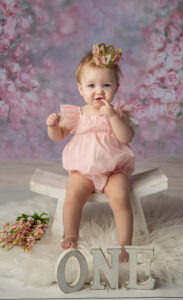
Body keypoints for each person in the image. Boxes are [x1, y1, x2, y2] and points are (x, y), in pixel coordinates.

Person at [46, 43, 136, 262]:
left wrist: (113, 117)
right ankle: (71, 235)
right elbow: (59, 136)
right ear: (80, 89)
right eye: (91, 85)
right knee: (73, 196)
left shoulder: (119, 112)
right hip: (83, 173)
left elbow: (126, 137)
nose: (99, 91)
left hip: (114, 171)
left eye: (106, 84)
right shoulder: (76, 114)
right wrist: (53, 127)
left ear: (116, 87)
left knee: (121, 198)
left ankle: (125, 244)